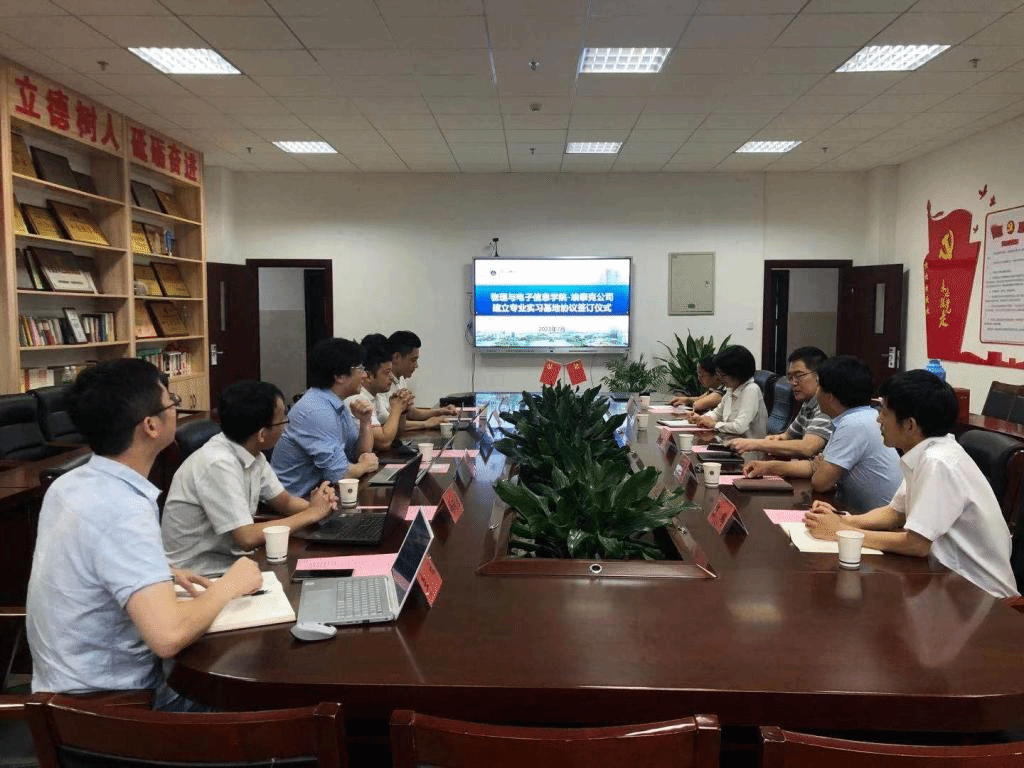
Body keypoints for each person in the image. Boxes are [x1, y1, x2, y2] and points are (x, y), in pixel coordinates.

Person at [25, 359, 262, 711]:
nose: (175, 409)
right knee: (263, 692)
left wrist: (159, 573)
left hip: (61, 692)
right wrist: (230, 585)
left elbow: (87, 562)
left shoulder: (71, 484)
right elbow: (168, 637)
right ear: (151, 425)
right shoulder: (123, 507)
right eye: (171, 402)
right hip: (113, 710)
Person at [804, 370, 1017, 598]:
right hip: (947, 583)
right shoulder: (927, 452)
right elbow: (894, 513)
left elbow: (917, 544)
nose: (878, 419)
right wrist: (842, 520)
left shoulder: (938, 462)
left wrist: (841, 531)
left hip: (982, 596)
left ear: (910, 425)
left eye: (884, 412)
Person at [162, 380, 338, 575]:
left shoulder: (252, 453)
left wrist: (321, 506)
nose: (286, 426)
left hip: (236, 565)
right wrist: (311, 514)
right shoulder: (217, 463)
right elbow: (246, 538)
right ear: (262, 434)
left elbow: (285, 502)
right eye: (283, 420)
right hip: (200, 576)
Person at [744, 355, 901, 513]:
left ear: (830, 397)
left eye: (819, 386)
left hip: (877, 521)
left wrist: (822, 469)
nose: (816, 393)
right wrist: (768, 467)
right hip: (858, 513)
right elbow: (814, 467)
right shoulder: (856, 417)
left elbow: (820, 482)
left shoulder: (854, 424)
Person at [271, 337, 379, 496]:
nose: (364, 375)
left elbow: (359, 454)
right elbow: (339, 474)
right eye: (360, 369)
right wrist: (364, 466)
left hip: (321, 494)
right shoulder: (317, 411)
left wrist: (365, 422)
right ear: (339, 376)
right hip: (296, 501)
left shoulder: (334, 403)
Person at [729, 346, 833, 459]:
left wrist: (754, 444)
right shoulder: (808, 403)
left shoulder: (827, 405)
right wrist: (775, 439)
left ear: (819, 376)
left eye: (799, 376)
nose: (793, 383)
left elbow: (807, 447)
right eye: (790, 377)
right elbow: (788, 435)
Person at [349, 336, 412, 451]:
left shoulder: (376, 395)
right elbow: (384, 442)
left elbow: (395, 432)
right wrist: (396, 408)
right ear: (368, 375)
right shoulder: (357, 398)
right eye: (387, 372)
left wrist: (403, 410)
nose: (392, 377)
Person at [689, 345, 767, 438]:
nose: (720, 378)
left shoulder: (751, 390)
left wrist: (714, 424)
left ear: (737, 373)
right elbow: (717, 413)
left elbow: (739, 427)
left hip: (748, 445)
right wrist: (701, 419)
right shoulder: (731, 389)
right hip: (730, 441)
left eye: (723, 375)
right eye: (718, 374)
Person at [387, 330, 458, 431]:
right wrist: (425, 424)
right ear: (396, 357)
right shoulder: (381, 383)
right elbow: (386, 423)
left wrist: (441, 411)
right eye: (413, 360)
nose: (416, 366)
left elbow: (411, 413)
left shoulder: (401, 379)